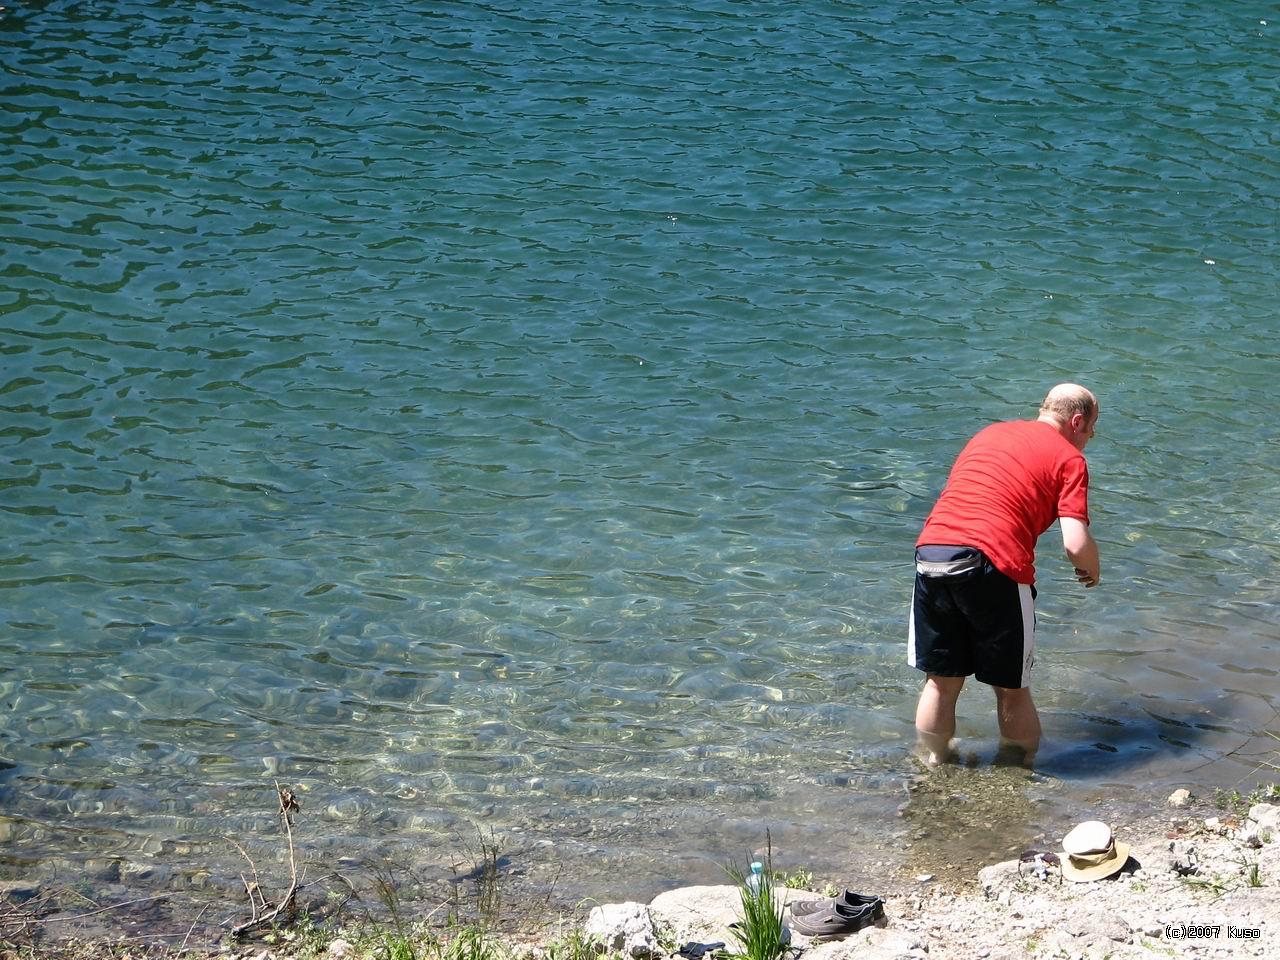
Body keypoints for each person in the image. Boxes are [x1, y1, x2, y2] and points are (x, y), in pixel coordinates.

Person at [908, 383, 1101, 766]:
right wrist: (1091, 570)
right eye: (1093, 428)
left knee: (940, 683)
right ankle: (1018, 772)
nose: (1091, 437)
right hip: (991, 563)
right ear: (1077, 421)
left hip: (932, 554)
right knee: (1012, 689)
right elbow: (1075, 544)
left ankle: (934, 762)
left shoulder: (989, 433)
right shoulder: (1069, 458)